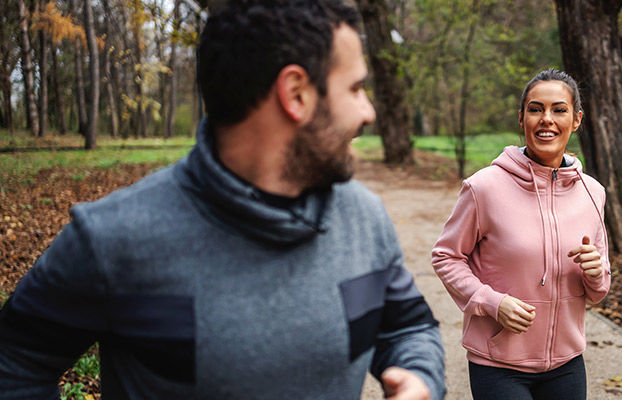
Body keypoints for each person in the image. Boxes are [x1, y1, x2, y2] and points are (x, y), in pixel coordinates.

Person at [0, 1, 445, 399]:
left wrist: (418, 376)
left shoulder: (363, 218)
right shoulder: (112, 238)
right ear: (296, 94)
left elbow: (408, 326)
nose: (368, 111)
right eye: (354, 89)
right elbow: (14, 364)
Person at [431, 68, 611, 400]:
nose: (546, 119)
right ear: (521, 118)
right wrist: (492, 302)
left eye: (559, 109)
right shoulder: (484, 187)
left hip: (567, 364)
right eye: (535, 109)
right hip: (499, 364)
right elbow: (446, 256)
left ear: (576, 120)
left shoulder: (593, 192)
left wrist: (596, 272)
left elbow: (599, 290)